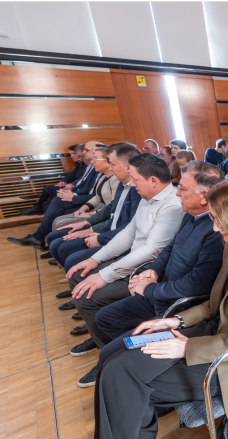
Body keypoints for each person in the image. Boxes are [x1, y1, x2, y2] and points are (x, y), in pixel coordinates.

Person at [93, 177, 228, 439]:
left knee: (121, 377)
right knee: (114, 357)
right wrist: (175, 321)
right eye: (213, 218)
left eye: (219, 220)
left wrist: (187, 347)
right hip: (216, 338)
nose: (214, 228)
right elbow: (215, 304)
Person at [84, 162, 224, 383]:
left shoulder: (217, 231)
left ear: (204, 197)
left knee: (110, 354)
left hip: (179, 305)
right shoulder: (190, 214)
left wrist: (149, 289)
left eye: (183, 189)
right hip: (160, 293)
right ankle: (126, 359)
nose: (177, 193)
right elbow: (170, 247)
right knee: (105, 318)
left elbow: (197, 285)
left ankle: (128, 364)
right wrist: (153, 271)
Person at [65, 153, 184, 383]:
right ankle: (100, 338)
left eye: (136, 179)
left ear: (152, 180)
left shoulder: (171, 205)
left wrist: (105, 275)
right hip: (132, 261)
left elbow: (152, 251)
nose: (133, 184)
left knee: (89, 298)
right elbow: (129, 233)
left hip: (146, 269)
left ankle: (108, 354)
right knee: (81, 274)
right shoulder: (147, 197)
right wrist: (96, 260)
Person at [48, 143, 142, 274]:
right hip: (110, 230)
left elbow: (130, 227)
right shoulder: (123, 184)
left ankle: (77, 275)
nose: (110, 167)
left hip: (119, 237)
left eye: (113, 164)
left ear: (127, 167)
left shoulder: (136, 189)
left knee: (65, 250)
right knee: (57, 241)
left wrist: (99, 236)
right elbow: (113, 212)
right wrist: (89, 226)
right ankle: (75, 274)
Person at [8, 141, 103, 248]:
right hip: (85, 199)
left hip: (92, 205)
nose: (84, 153)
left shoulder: (101, 171)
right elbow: (85, 185)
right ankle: (48, 241)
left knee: (57, 204)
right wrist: (71, 192)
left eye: (87, 151)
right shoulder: (92, 167)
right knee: (53, 202)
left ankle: (43, 239)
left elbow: (95, 194)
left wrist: (74, 196)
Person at [49, 147, 120, 232]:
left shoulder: (116, 180)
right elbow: (97, 197)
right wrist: (83, 208)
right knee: (57, 220)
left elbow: (114, 206)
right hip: (98, 208)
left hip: (105, 214)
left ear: (107, 161)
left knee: (60, 223)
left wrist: (91, 214)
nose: (92, 161)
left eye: (95, 158)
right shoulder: (103, 177)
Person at [18, 144, 86, 216]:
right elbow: (71, 175)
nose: (71, 156)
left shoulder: (86, 165)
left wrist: (72, 184)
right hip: (73, 186)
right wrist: (63, 181)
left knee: (50, 189)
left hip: (77, 188)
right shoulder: (79, 165)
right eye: (70, 154)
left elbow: (83, 179)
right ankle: (39, 207)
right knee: (48, 194)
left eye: (73, 153)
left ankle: (38, 207)